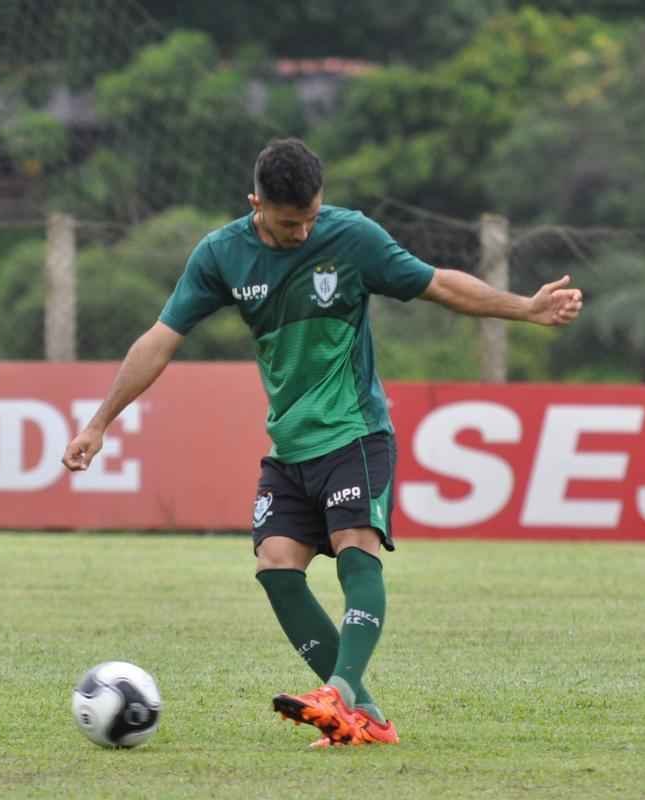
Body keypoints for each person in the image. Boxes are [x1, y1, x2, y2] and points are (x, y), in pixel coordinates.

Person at [61, 138, 583, 748]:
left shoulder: (351, 237)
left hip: (355, 431)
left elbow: (437, 284)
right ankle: (368, 718)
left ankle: (337, 691)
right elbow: (160, 338)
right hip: (290, 446)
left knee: (356, 548)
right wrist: (100, 422)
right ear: (255, 203)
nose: (303, 232)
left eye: (311, 217)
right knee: (276, 567)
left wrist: (524, 308)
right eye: (288, 223)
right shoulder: (222, 256)